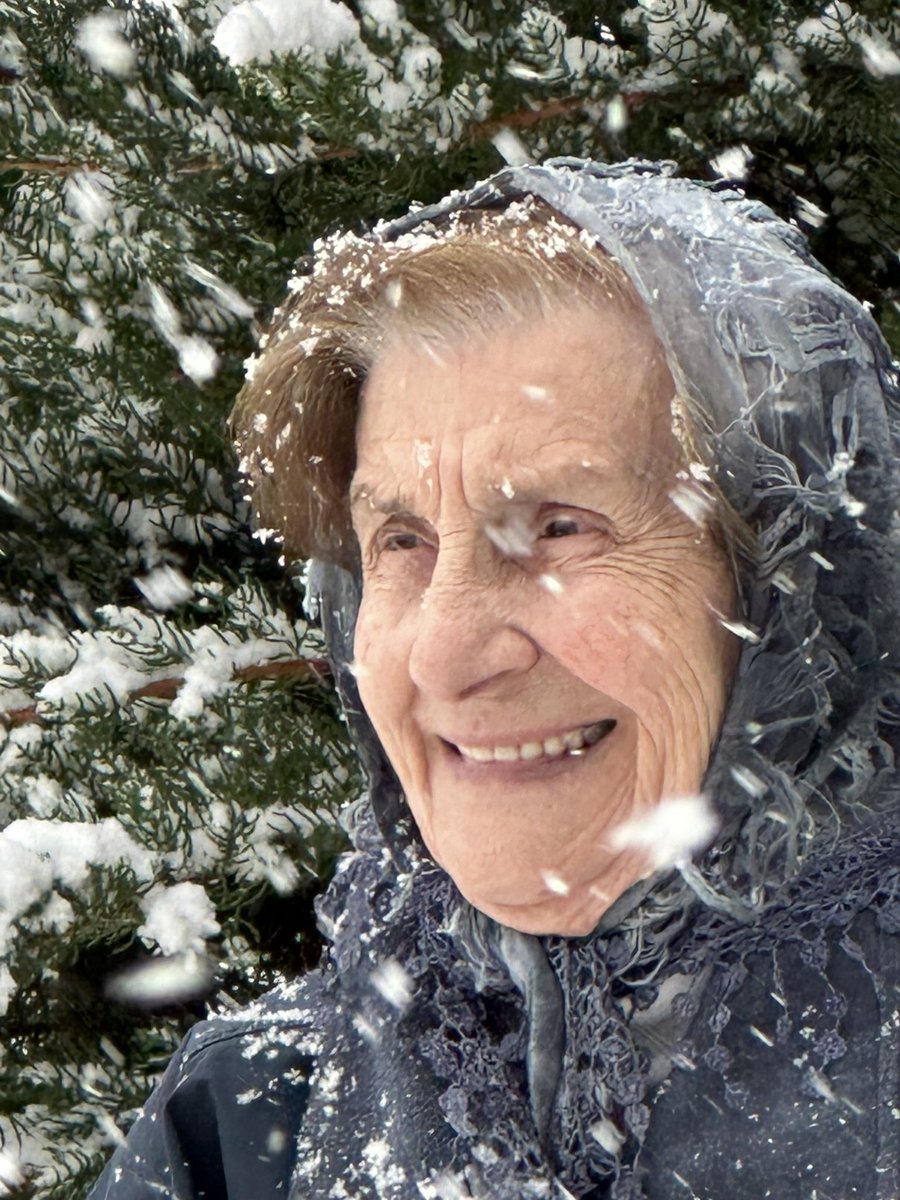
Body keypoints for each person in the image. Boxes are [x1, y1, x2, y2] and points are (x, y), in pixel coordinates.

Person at [88, 160, 900, 1200]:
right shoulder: (248, 1129)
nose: (443, 652)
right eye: (401, 540)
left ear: (795, 588)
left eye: (560, 526)